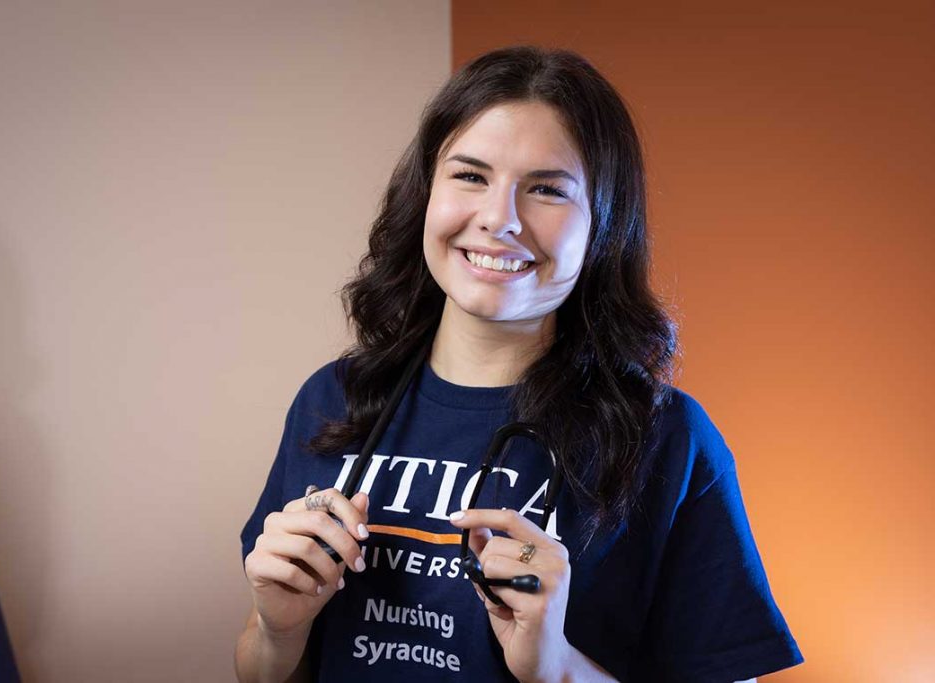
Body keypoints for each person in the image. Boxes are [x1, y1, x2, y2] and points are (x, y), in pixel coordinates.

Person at [234, 46, 803, 683]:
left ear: (604, 225)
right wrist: (276, 629)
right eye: (470, 176)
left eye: (546, 190)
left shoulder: (666, 440)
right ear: (426, 193)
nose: (498, 219)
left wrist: (555, 667)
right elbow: (262, 670)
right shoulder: (333, 400)